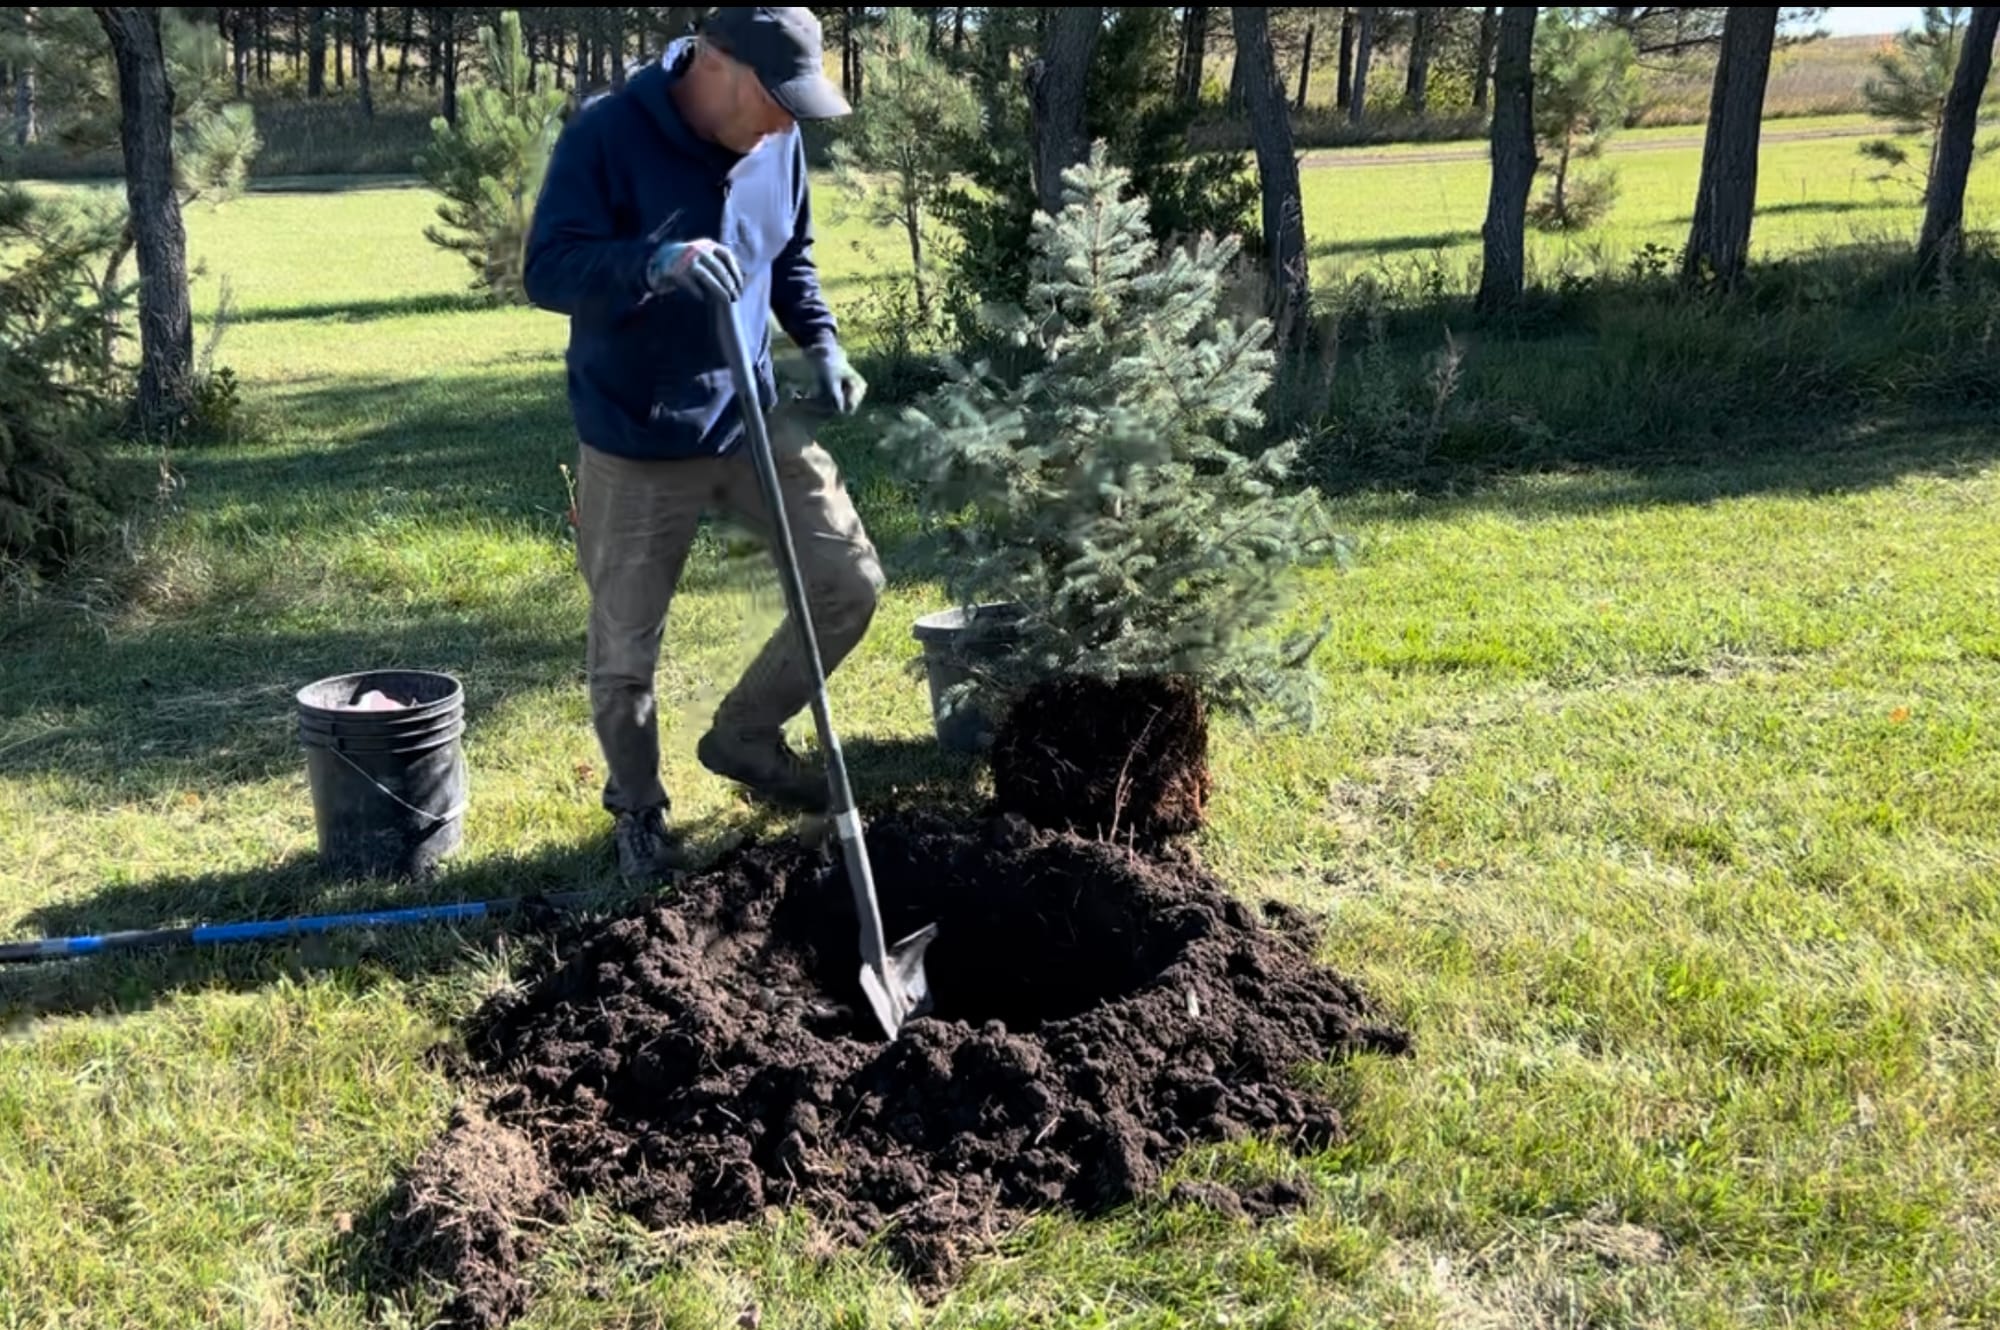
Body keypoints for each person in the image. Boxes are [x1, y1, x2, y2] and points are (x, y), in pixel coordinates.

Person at [522, 7, 883, 885]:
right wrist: (652, 264)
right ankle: (640, 811)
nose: (787, 123)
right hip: (638, 437)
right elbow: (548, 269)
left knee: (849, 584)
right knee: (625, 660)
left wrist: (824, 343)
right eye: (777, 99)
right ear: (717, 64)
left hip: (753, 416)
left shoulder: (777, 142)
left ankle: (747, 737)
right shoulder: (609, 133)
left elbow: (789, 256)